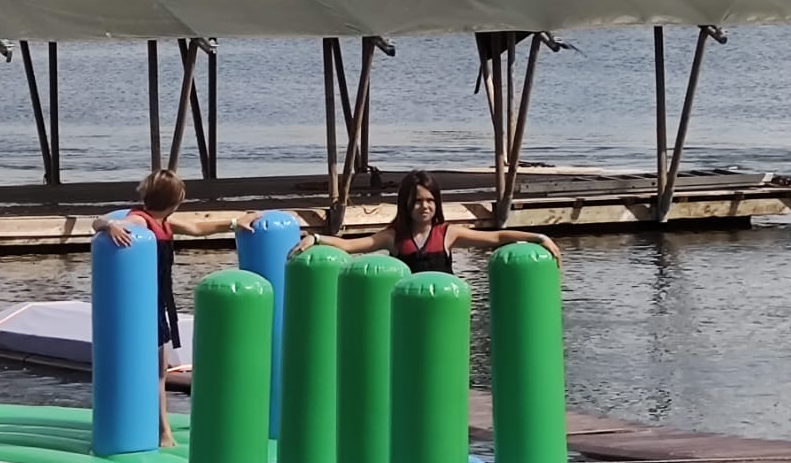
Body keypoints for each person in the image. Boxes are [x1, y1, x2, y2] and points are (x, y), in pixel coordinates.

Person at [93, 169, 264, 448]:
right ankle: (163, 430)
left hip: (158, 300)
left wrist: (236, 222)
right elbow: (98, 222)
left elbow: (197, 228)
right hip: (142, 303)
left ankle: (161, 428)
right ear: (178, 198)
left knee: (160, 369)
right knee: (155, 370)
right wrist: (109, 226)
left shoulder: (164, 222)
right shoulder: (140, 221)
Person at [287, 170, 559, 273]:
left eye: (430, 200)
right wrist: (315, 238)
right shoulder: (394, 237)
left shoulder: (448, 233)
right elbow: (350, 246)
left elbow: (497, 237)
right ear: (406, 203)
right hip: (410, 314)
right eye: (417, 201)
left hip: (443, 313)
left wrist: (539, 237)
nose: (425, 206)